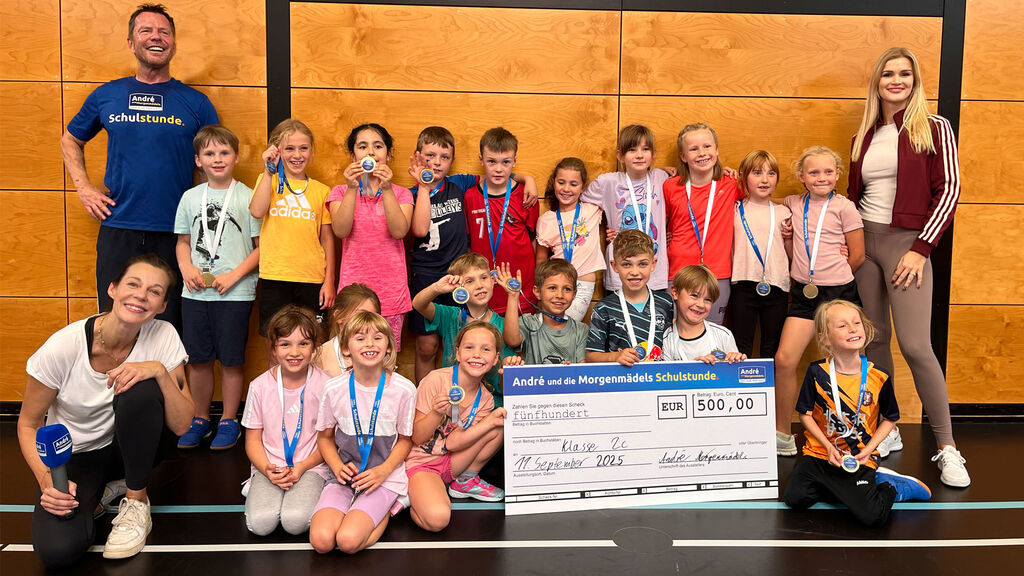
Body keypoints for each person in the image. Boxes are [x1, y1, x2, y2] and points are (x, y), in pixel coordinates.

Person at [17, 254, 194, 567]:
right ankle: (104, 490)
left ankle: (136, 500)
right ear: (112, 289)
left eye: (154, 291)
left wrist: (158, 371)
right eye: (133, 284)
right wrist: (46, 480)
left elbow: (181, 425)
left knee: (141, 389)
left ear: (162, 305)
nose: (141, 295)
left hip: (131, 447)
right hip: (78, 456)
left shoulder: (163, 334)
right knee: (57, 552)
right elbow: (28, 424)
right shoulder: (63, 347)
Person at [847, 47, 969, 487]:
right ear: (877, 83)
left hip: (907, 245)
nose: (896, 80)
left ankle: (948, 448)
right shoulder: (864, 134)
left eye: (904, 73)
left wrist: (921, 249)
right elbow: (853, 196)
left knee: (916, 346)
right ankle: (889, 428)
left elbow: (949, 189)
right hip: (865, 245)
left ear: (915, 81)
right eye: (887, 74)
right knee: (874, 341)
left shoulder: (934, 127)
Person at [60, 4, 219, 330]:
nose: (156, 37)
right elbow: (70, 140)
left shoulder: (196, 102)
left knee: (170, 328)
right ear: (131, 43)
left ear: (173, 43)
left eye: (164, 32)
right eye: (146, 31)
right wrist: (84, 188)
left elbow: (214, 164)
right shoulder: (108, 95)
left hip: (177, 233)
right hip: (119, 227)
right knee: (112, 323)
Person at [784, 300, 931, 527]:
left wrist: (869, 450)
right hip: (820, 454)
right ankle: (847, 489)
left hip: (859, 457)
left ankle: (892, 486)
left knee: (872, 516)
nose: (852, 329)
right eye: (842, 326)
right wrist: (828, 448)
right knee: (795, 498)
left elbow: (890, 418)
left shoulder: (879, 376)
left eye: (856, 323)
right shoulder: (816, 372)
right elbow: (805, 414)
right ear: (825, 338)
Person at [173, 125, 261, 451]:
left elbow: (261, 247)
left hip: (235, 293)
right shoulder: (190, 198)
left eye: (224, 152)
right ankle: (200, 418)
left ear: (236, 157)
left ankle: (228, 419)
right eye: (209, 153)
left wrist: (234, 275)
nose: (218, 158)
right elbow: (183, 242)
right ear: (198, 160)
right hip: (195, 292)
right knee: (198, 359)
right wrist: (186, 268)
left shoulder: (248, 196)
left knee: (231, 359)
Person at [775, 146, 865, 456]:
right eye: (813, 172)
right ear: (802, 176)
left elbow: (858, 255)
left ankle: (854, 432)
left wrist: (833, 272)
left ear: (838, 174)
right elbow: (761, 200)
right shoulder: (793, 203)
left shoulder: (845, 207)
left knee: (846, 363)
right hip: (804, 293)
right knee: (784, 360)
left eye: (828, 171)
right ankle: (782, 433)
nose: (821, 177)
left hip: (839, 292)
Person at [310, 311, 416, 553]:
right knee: (322, 541)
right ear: (345, 348)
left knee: (348, 541)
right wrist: (337, 467)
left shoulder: (404, 390)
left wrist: (383, 471)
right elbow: (324, 437)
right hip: (344, 476)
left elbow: (405, 440)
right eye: (360, 338)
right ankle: (360, 509)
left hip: (383, 477)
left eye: (378, 338)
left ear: (389, 347)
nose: (370, 343)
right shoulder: (333, 388)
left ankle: (388, 508)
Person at [406, 322, 511, 532]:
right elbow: (416, 438)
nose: (477, 354)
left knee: (498, 423)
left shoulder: (486, 398)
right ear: (457, 353)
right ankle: (407, 495)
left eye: (486, 349)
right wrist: (436, 413)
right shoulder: (436, 380)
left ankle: (465, 481)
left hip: (453, 461)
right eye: (469, 347)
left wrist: (488, 422)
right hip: (423, 463)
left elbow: (453, 443)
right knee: (437, 520)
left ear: (495, 358)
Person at [240, 306, 330, 536]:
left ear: (314, 347)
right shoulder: (259, 386)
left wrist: (302, 466)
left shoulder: (327, 386)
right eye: (285, 344)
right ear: (273, 348)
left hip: (310, 466)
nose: (295, 352)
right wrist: (266, 469)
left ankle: (321, 488)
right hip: (271, 467)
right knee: (260, 525)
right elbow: (253, 440)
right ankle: (257, 486)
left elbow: (329, 441)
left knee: (295, 522)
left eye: (303, 343)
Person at [328, 123, 414, 348]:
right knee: (350, 353)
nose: (371, 152)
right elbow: (340, 230)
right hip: (352, 296)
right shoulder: (339, 192)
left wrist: (386, 189)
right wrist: (351, 188)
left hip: (391, 294)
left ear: (388, 154)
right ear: (353, 155)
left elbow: (399, 231)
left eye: (378, 146)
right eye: (362, 146)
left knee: (386, 355)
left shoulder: (401, 194)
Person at [249, 119, 335, 331]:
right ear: (276, 150)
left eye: (303, 148)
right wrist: (268, 171)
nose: (297, 155)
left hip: (312, 278)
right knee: (276, 339)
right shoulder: (266, 180)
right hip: (275, 276)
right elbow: (257, 211)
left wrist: (329, 280)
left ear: (311, 150)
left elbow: (327, 239)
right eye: (289, 149)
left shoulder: (322, 191)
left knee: (313, 337)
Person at [663, 123, 745, 323]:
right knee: (673, 334)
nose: (702, 153)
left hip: (717, 273)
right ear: (683, 156)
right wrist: (659, 170)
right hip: (678, 272)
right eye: (694, 149)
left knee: (711, 334)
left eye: (707, 146)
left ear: (716, 150)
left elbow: (763, 198)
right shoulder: (670, 186)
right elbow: (654, 221)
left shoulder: (732, 184)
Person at [406, 127, 470, 382]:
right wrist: (423, 187)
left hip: (458, 277)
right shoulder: (410, 195)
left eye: (445, 157)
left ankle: (456, 397)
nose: (437, 162)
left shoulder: (459, 184)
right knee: (427, 346)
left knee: (457, 344)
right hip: (426, 277)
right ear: (418, 156)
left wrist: (526, 179)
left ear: (452, 161)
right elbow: (420, 230)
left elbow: (495, 174)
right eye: (430, 155)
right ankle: (424, 398)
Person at [411, 252, 515, 404]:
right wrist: (437, 288)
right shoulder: (450, 316)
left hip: (492, 404)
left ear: (492, 281)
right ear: (458, 288)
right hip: (452, 401)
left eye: (484, 278)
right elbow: (418, 304)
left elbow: (507, 365)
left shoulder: (503, 324)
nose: (479, 285)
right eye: (470, 281)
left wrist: (511, 363)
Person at [582, 124, 672, 292]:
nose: (639, 155)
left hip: (655, 272)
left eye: (645, 149)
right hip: (620, 272)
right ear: (620, 156)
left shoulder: (661, 178)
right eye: (632, 150)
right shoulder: (608, 182)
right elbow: (579, 204)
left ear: (653, 154)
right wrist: (600, 231)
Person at [462, 127, 540, 314]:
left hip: (520, 288)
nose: (498, 169)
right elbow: (469, 244)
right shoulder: (470, 196)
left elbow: (533, 242)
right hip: (484, 292)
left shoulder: (526, 195)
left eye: (506, 162)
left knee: (519, 333)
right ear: (481, 159)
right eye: (491, 161)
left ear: (514, 161)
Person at [728, 150, 791, 359]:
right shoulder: (733, 209)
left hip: (777, 286)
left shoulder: (784, 212)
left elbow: (792, 253)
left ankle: (770, 383)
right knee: (741, 347)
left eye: (771, 173)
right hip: (743, 284)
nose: (765, 179)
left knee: (771, 348)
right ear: (744, 177)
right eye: (757, 173)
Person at [586, 229, 674, 365]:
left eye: (642, 264)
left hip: (658, 376)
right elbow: (591, 356)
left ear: (653, 264)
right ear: (614, 266)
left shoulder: (665, 302)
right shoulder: (603, 308)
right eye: (626, 264)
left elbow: (673, 344)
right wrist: (615, 357)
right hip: (622, 377)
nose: (634, 272)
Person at [535, 157, 605, 321]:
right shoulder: (546, 220)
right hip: (554, 283)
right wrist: (541, 285)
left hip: (583, 284)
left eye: (573, 184)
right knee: (549, 326)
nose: (566, 189)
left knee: (561, 324)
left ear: (583, 187)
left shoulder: (593, 209)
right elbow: (541, 259)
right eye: (561, 182)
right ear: (554, 183)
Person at [498, 259, 588, 364]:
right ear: (537, 292)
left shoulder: (581, 330)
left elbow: (582, 368)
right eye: (552, 288)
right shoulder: (528, 323)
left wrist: (568, 371)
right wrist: (513, 296)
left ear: (574, 294)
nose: (560, 295)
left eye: (567, 289)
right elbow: (511, 341)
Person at [662, 265, 745, 364]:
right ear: (675, 293)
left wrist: (735, 360)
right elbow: (665, 373)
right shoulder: (665, 339)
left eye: (708, 300)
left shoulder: (723, 335)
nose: (701, 305)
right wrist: (699, 368)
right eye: (694, 295)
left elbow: (735, 373)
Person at [317, 283, 382, 378]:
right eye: (360, 315)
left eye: (372, 316)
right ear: (339, 316)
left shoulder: (380, 352)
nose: (366, 321)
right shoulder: (318, 357)